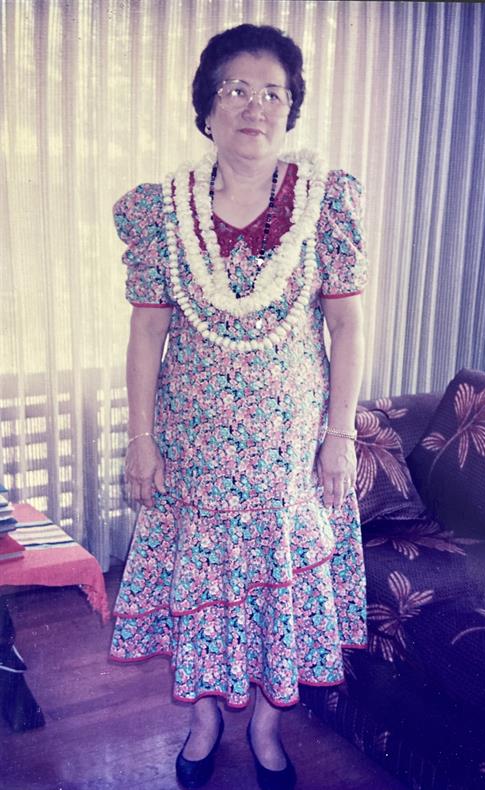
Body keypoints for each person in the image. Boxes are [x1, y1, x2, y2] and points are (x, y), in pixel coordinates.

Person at [110, 23, 368, 790]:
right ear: (206, 108)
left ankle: (263, 724)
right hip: (193, 449)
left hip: (287, 453)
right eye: (235, 89)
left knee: (278, 584)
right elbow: (146, 332)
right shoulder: (161, 210)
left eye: (272, 92)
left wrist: (339, 436)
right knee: (202, 584)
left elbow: (347, 325)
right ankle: (202, 721)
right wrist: (141, 439)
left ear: (290, 110)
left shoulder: (327, 203)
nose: (254, 105)